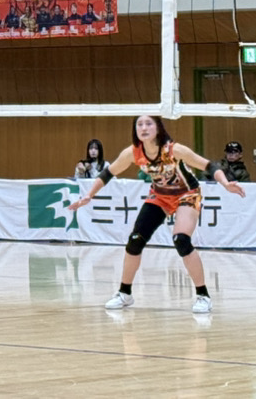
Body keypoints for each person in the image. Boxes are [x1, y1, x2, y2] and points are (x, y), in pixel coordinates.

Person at [68, 114, 245, 314]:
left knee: (181, 240)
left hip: (187, 194)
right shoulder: (133, 152)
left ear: (158, 127)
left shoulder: (174, 150)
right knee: (135, 240)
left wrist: (225, 183)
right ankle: (124, 293)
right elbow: (108, 173)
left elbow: (209, 165)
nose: (143, 128)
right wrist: (89, 195)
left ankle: (203, 295)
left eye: (148, 123)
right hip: (160, 196)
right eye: (139, 124)